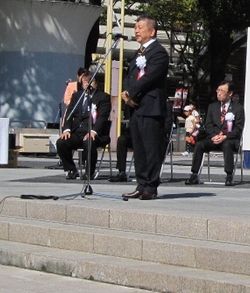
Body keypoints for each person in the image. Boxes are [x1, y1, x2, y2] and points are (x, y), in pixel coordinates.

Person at [120, 14, 169, 200]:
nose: (136, 30)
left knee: (151, 147)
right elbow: (130, 75)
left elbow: (150, 77)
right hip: (136, 107)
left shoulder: (159, 53)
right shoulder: (137, 53)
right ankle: (140, 184)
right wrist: (126, 92)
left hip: (151, 106)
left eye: (140, 27)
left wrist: (133, 93)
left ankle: (151, 186)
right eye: (135, 27)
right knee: (139, 148)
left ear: (152, 31)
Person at [186, 82, 245, 186]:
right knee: (199, 145)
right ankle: (194, 174)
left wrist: (225, 136)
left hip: (229, 139)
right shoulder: (212, 107)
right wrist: (213, 136)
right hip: (214, 138)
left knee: (227, 145)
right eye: (218, 90)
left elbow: (238, 128)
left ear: (230, 93)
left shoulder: (238, 108)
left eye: (222, 91)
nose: (219, 93)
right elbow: (207, 125)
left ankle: (229, 175)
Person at [56, 71, 111, 180]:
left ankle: (89, 171)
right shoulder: (77, 96)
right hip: (77, 132)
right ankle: (71, 169)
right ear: (82, 83)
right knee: (61, 142)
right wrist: (66, 129)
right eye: (86, 81)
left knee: (89, 142)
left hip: (95, 133)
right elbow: (69, 114)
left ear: (96, 83)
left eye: (91, 81)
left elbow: (102, 117)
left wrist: (93, 131)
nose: (88, 84)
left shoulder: (103, 97)